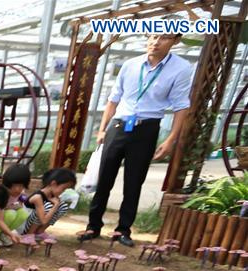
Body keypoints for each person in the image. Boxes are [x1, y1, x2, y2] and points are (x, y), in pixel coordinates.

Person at [80, 31, 192, 247]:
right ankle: (93, 226)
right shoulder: (130, 65)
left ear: (175, 41)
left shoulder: (181, 69)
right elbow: (113, 99)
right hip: (119, 126)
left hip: (147, 129)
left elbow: (181, 106)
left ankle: (123, 230)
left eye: (164, 38)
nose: (156, 42)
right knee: (104, 178)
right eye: (153, 36)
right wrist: (102, 129)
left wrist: (171, 139)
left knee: (134, 182)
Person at [21, 168, 77, 236]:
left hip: (33, 223)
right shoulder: (38, 197)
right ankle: (29, 235)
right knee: (49, 206)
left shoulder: (52, 196)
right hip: (23, 226)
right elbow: (43, 221)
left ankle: (40, 232)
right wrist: (56, 205)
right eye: (63, 189)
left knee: (63, 206)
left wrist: (57, 204)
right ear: (53, 184)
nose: (63, 191)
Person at [0, 163, 32, 246]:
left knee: (23, 213)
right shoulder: (2, 194)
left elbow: (20, 205)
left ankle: (3, 234)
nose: (17, 189)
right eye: (14, 186)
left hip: (5, 217)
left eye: (21, 186)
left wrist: (16, 205)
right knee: (11, 213)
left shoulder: (21, 193)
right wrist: (11, 207)